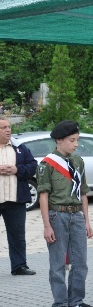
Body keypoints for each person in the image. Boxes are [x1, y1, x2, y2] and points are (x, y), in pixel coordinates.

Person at [37, 120, 93, 307]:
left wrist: (87, 220)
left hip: (76, 215)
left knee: (80, 261)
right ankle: (60, 303)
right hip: (57, 215)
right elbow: (43, 196)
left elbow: (83, 193)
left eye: (77, 140)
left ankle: (76, 301)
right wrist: (46, 226)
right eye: (72, 140)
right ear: (59, 140)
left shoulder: (78, 162)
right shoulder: (47, 164)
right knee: (58, 262)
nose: (76, 144)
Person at [0, 116, 37, 276]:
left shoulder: (20, 148)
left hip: (16, 200)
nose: (8, 130)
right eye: (4, 128)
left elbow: (32, 166)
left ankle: (19, 266)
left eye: (9, 127)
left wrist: (17, 170)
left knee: (17, 235)